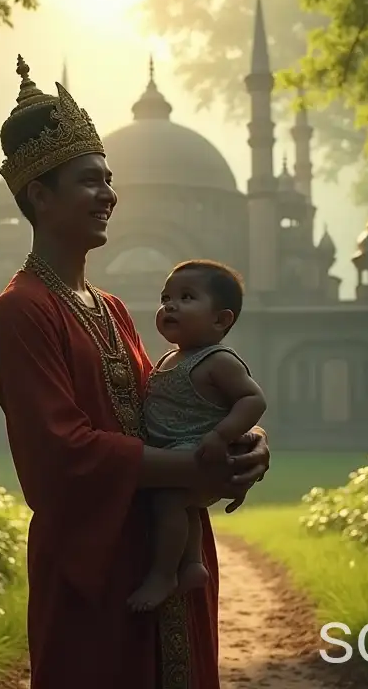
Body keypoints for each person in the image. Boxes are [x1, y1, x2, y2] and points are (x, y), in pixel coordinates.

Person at [0, 56, 272, 689]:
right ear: (39, 194)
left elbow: (165, 411)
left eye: (110, 179)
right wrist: (203, 466)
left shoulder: (111, 307)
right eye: (90, 180)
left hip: (165, 554)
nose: (109, 194)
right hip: (94, 565)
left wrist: (244, 439)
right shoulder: (22, 310)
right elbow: (62, 455)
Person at [128, 260, 267, 613]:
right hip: (175, 451)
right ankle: (191, 565)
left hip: (198, 453)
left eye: (186, 297)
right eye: (166, 298)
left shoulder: (218, 360)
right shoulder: (171, 358)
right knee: (181, 506)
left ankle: (163, 575)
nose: (170, 305)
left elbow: (253, 399)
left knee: (169, 502)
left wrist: (223, 435)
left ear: (221, 320)